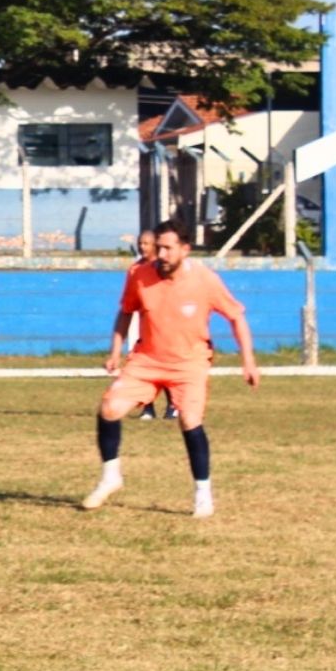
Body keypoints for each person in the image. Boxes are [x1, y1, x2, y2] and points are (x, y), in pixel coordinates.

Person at [83, 219, 259, 518]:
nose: (160, 254)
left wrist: (248, 361)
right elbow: (126, 312)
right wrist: (115, 350)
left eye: (167, 248)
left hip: (189, 363)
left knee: (190, 420)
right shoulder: (139, 274)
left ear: (185, 249)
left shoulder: (205, 280)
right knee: (109, 408)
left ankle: (203, 494)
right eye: (158, 247)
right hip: (147, 360)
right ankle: (111, 476)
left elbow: (236, 316)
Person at [129, 229, 178, 421]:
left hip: (165, 328)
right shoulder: (135, 270)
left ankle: (173, 405)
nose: (142, 247)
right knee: (143, 369)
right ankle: (147, 408)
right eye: (140, 243)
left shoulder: (163, 269)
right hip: (144, 327)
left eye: (146, 244)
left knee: (165, 369)